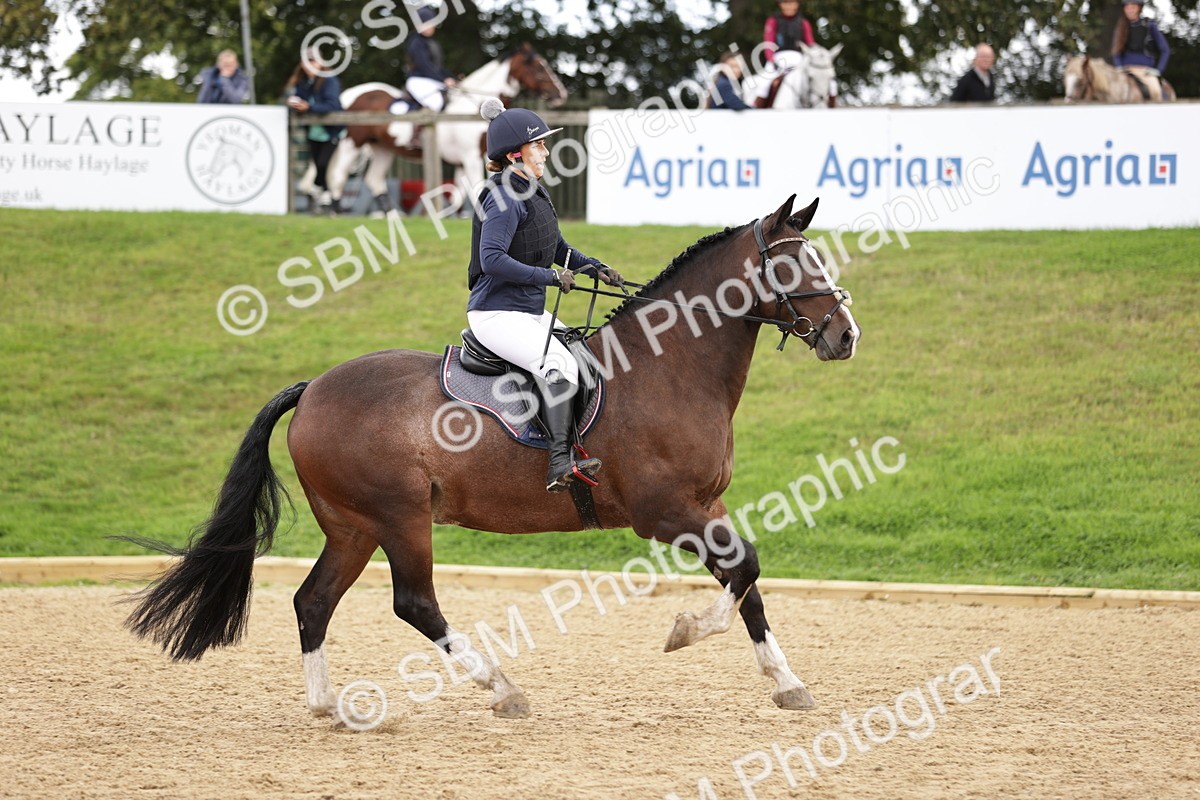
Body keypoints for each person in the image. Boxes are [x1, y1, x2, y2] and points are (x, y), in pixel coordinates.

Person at [467, 99, 624, 493]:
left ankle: (574, 442)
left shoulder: (532, 191)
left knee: (584, 354)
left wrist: (595, 268)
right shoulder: (503, 197)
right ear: (515, 154)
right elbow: (491, 259)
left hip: (527, 312)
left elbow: (557, 247)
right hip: (496, 313)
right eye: (539, 145)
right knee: (559, 364)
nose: (547, 152)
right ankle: (558, 463)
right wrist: (550, 277)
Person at [285, 49, 344, 214]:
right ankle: (326, 198)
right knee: (319, 166)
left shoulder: (329, 80)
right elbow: (298, 103)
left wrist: (309, 107)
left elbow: (332, 106)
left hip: (331, 131)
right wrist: (294, 105)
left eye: (313, 61)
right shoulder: (303, 82)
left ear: (321, 62)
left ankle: (319, 193)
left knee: (324, 164)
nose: (310, 65)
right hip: (313, 132)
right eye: (307, 61)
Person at [758, 0, 838, 107]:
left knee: (831, 83)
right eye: (785, 3)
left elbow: (810, 43)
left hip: (799, 58)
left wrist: (818, 56)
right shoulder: (773, 21)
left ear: (797, 4)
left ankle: (832, 107)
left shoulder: (804, 23)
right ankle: (758, 109)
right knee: (763, 85)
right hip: (778, 57)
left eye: (792, 2)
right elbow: (768, 42)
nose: (789, 6)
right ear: (780, 4)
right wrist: (771, 60)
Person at [1112, 0, 1170, 101]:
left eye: (1133, 7)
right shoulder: (1120, 27)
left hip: (1145, 72)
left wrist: (1158, 70)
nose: (1129, 10)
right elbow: (1116, 52)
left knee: (1156, 91)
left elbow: (1165, 50)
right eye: (1127, 7)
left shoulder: (1149, 26)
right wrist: (1119, 67)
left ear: (1139, 8)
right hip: (1125, 71)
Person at [406, 5, 458, 112]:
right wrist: (443, 80)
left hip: (433, 81)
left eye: (431, 23)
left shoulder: (433, 43)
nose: (430, 26)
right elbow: (424, 65)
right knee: (436, 102)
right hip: (419, 81)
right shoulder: (416, 42)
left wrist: (451, 77)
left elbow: (439, 66)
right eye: (426, 23)